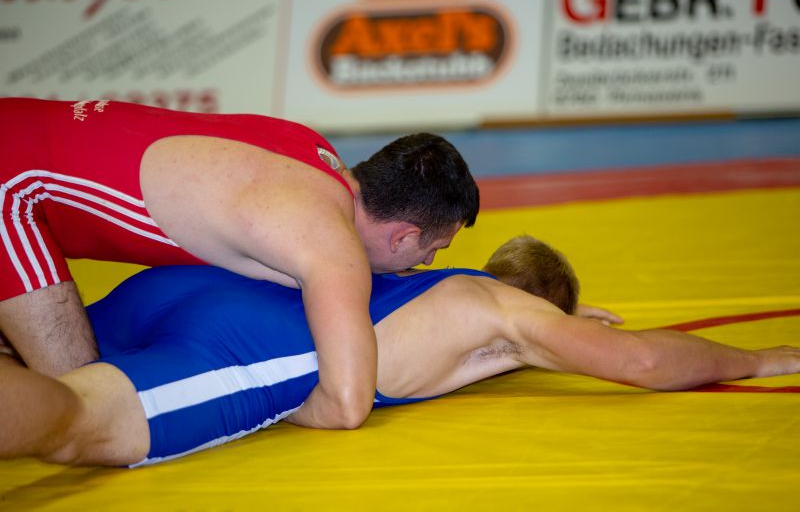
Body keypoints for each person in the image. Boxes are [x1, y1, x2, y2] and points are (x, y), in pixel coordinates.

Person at [1, 235, 797, 467]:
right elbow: (643, 363)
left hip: (181, 288)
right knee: (77, 418)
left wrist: (568, 310)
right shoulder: (499, 310)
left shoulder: (438, 279)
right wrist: (757, 361)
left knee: (35, 348)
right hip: (250, 343)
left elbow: (516, 315)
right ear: (542, 308)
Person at [0, 97, 479, 429]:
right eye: (433, 249)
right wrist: (258, 406)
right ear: (405, 235)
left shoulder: (311, 150)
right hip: (11, 187)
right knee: (83, 406)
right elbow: (347, 405)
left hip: (18, 124)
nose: (426, 263)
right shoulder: (330, 245)